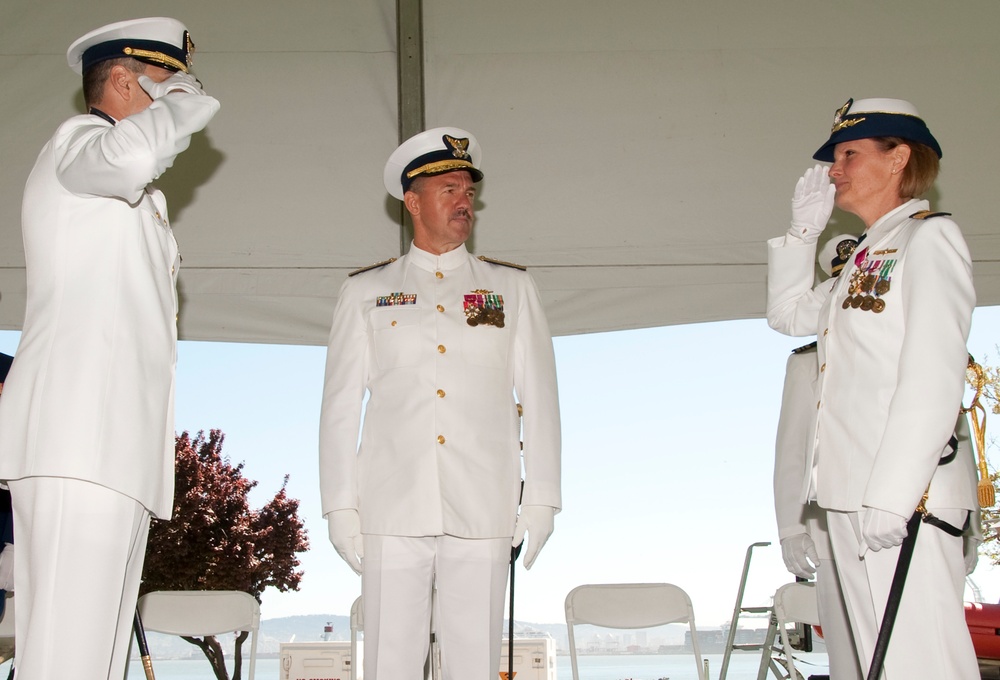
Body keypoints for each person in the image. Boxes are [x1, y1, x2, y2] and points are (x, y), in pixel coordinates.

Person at [0, 18, 219, 679]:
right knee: (66, 658)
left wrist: (172, 92)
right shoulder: (81, 143)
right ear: (123, 81)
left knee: (95, 661)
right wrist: (189, 96)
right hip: (77, 443)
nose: (177, 102)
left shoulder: (126, 193)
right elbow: (133, 155)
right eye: (163, 84)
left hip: (111, 451)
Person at [319, 127, 561, 680]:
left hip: (484, 502)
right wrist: (339, 507)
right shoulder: (365, 292)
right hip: (389, 505)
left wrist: (543, 496)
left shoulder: (511, 288)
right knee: (390, 663)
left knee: (474, 664)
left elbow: (542, 400)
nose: (463, 202)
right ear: (412, 201)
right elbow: (338, 408)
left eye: (468, 191)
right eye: (448, 189)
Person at [766, 98, 979, 678]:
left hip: (905, 498)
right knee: (876, 664)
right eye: (835, 157)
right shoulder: (863, 256)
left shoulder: (928, 240)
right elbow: (787, 317)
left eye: (849, 154)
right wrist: (801, 235)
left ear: (898, 158)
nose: (835, 169)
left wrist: (894, 491)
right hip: (848, 492)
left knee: (923, 661)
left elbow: (934, 372)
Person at [773, 235, 863, 680]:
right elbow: (792, 451)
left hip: (917, 518)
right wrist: (791, 526)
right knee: (847, 652)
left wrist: (968, 528)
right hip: (832, 527)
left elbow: (954, 440)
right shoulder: (807, 364)